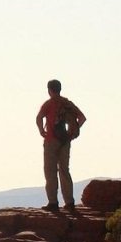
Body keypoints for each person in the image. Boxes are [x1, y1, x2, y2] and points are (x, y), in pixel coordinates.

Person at [36, 79, 86, 212]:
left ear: (49, 90)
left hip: (51, 140)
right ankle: (69, 202)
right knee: (64, 170)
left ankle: (53, 202)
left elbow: (39, 117)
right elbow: (82, 118)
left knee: (50, 171)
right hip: (65, 140)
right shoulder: (67, 103)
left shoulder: (49, 104)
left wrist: (42, 131)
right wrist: (72, 133)